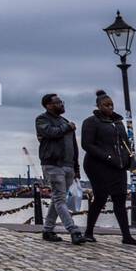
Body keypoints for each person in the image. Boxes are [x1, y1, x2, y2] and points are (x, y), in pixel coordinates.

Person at [81, 90, 136, 246]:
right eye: (106, 105)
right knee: (101, 197)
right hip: (97, 165)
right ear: (98, 106)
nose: (109, 107)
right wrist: (107, 157)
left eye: (111, 105)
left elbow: (125, 143)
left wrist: (128, 160)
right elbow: (87, 144)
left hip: (119, 165)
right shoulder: (91, 122)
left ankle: (126, 236)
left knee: (120, 199)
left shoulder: (118, 122)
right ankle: (89, 232)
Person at [35, 93, 85, 244]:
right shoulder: (42, 119)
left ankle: (47, 230)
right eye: (57, 102)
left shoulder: (65, 122)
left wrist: (76, 168)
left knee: (58, 199)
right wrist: (67, 127)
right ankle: (73, 230)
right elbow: (51, 132)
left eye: (61, 102)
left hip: (68, 165)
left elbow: (74, 147)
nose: (61, 104)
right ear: (48, 105)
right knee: (59, 199)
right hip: (52, 164)